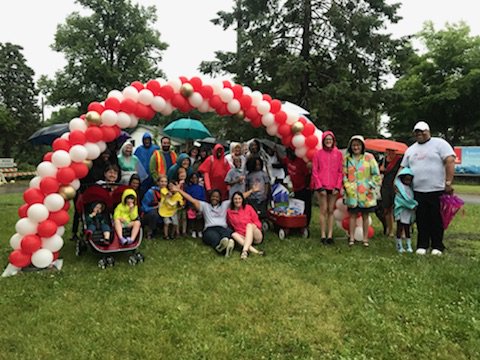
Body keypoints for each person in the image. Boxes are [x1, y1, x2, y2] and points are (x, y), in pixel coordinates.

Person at [399, 121, 455, 255]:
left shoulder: (439, 144)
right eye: (417, 132)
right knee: (421, 218)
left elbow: (450, 160)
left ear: (428, 131)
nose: (420, 134)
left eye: (422, 131)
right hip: (418, 190)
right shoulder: (411, 149)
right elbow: (403, 168)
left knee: (436, 218)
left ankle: (437, 245)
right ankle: (422, 244)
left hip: (436, 188)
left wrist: (448, 182)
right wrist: (398, 184)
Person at [169, 182, 259, 257]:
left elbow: (239, 198)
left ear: (220, 198)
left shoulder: (224, 205)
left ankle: (226, 245)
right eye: (213, 196)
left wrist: (251, 191)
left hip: (223, 227)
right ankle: (221, 247)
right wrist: (179, 190)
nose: (215, 198)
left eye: (217, 197)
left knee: (229, 234)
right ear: (210, 197)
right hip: (210, 228)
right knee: (213, 237)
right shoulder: (205, 206)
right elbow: (192, 199)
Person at [343, 135, 381, 247]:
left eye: (358, 145)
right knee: (353, 215)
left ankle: (365, 239)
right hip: (352, 192)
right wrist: (347, 186)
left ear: (362, 146)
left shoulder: (369, 158)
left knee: (365, 215)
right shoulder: (347, 159)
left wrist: (370, 185)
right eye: (354, 145)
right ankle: (352, 238)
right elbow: (343, 174)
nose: (356, 147)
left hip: (366, 192)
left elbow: (376, 175)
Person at [311, 131, 343, 244]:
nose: (328, 141)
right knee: (323, 210)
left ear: (333, 141)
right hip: (322, 186)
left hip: (334, 186)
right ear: (323, 141)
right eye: (326, 139)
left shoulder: (338, 154)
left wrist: (338, 187)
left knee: (331, 210)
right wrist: (319, 187)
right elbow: (315, 171)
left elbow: (341, 171)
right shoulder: (318, 154)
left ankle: (330, 235)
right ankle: (323, 235)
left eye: (330, 139)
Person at [227, 191, 265, 260]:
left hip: (255, 234)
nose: (237, 200)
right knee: (234, 234)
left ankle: (244, 251)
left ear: (242, 199)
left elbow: (258, 222)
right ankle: (256, 252)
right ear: (232, 200)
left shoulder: (248, 208)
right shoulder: (229, 212)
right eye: (235, 199)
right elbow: (229, 224)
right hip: (243, 236)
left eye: (239, 198)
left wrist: (253, 226)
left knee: (249, 225)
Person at [281, 148, 312, 226]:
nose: (290, 155)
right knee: (297, 206)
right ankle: (297, 223)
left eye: (292, 153)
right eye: (288, 154)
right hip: (295, 187)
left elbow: (307, 175)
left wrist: (306, 187)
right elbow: (281, 160)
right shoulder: (287, 159)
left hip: (304, 187)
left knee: (306, 207)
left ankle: (305, 224)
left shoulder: (301, 161)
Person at [379, 148, 403, 237]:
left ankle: (401, 231)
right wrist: (381, 169)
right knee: (387, 209)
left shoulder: (400, 160)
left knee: (398, 209)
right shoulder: (383, 160)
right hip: (385, 186)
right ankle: (390, 230)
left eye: (392, 150)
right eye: (388, 150)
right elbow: (377, 172)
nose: (390, 152)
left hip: (396, 186)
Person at [394, 168, 417, 253]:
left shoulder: (410, 189)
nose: (408, 181)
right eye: (406, 179)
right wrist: (412, 205)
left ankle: (408, 245)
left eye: (410, 180)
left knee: (408, 229)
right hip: (401, 211)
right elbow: (400, 201)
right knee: (399, 228)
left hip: (408, 212)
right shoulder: (399, 189)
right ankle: (399, 245)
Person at [185, 172, 206, 238]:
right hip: (192, 206)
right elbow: (188, 197)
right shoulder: (189, 188)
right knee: (192, 220)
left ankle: (199, 231)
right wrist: (190, 205)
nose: (194, 179)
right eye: (193, 178)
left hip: (200, 205)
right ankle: (193, 231)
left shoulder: (201, 188)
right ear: (190, 179)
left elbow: (203, 197)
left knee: (199, 219)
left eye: (196, 178)